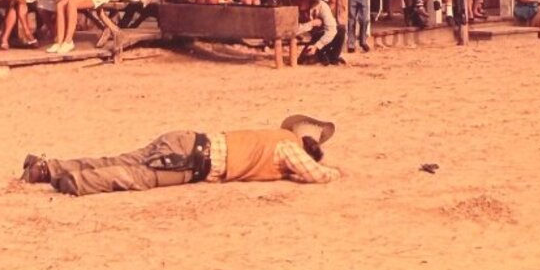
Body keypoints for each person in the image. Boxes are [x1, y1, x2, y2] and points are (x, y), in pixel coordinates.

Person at [20, 114, 340, 196]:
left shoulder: (274, 137)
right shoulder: (288, 149)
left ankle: (48, 167)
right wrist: (336, 172)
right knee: (137, 177)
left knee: (123, 159)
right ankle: (74, 181)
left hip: (188, 139)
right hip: (195, 162)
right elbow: (315, 175)